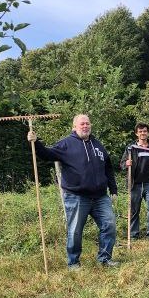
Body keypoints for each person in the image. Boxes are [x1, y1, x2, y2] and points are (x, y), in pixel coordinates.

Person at [28, 114, 118, 270]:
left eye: (87, 123)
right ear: (74, 127)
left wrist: (113, 189)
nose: (85, 126)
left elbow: (108, 168)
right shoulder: (66, 144)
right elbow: (46, 154)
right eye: (82, 124)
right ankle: (74, 263)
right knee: (75, 231)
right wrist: (36, 143)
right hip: (77, 196)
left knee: (109, 225)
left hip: (100, 197)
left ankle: (104, 259)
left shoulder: (97, 145)